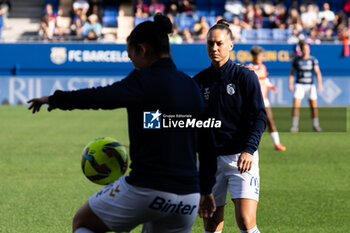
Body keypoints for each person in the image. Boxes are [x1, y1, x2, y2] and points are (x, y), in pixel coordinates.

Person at [27, 14, 216, 233]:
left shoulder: (142, 80)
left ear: (142, 49)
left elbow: (98, 97)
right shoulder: (191, 87)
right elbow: (208, 145)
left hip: (146, 189)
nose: (132, 62)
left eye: (130, 56)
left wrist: (54, 99)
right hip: (188, 199)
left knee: (83, 222)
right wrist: (207, 189)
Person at [193, 19, 267, 233]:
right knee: (211, 223)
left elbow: (259, 117)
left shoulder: (245, 76)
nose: (214, 48)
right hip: (210, 162)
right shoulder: (199, 81)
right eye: (210, 44)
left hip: (241, 159)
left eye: (219, 43)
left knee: (245, 221)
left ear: (231, 45)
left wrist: (249, 149)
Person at [247, 46, 286, 151]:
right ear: (254, 56)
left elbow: (265, 80)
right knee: (249, 124)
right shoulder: (248, 68)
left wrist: (271, 86)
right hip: (252, 101)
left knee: (270, 121)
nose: (261, 58)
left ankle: (277, 144)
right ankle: (246, 143)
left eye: (261, 56)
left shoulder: (263, 67)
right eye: (259, 56)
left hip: (264, 100)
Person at [289, 40, 323, 132]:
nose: (306, 50)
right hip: (299, 84)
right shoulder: (297, 60)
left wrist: (319, 84)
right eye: (304, 49)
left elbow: (317, 73)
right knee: (296, 105)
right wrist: (290, 84)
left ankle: (316, 125)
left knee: (313, 106)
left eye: (307, 49)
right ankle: (294, 126)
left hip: (310, 85)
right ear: (301, 50)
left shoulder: (312, 60)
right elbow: (292, 73)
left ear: (309, 50)